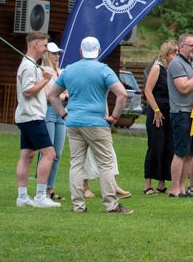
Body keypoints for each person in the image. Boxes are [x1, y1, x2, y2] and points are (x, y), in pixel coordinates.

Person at [47, 36, 131, 214]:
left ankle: (78, 205)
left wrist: (63, 114)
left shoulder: (69, 70)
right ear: (99, 51)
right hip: (96, 122)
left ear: (80, 52)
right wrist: (114, 117)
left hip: (73, 121)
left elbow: (53, 95)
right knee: (106, 164)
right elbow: (122, 94)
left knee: (76, 163)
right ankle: (111, 205)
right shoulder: (103, 70)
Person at [13, 31, 59, 208]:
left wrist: (42, 76)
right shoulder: (28, 66)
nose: (46, 49)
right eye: (45, 45)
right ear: (35, 45)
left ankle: (22, 197)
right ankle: (40, 196)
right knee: (49, 154)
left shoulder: (32, 65)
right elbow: (28, 91)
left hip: (27, 116)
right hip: (32, 116)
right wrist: (45, 80)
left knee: (27, 155)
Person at [166, 34, 193, 198]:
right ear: (181, 46)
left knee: (191, 153)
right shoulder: (176, 64)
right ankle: (175, 189)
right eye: (191, 45)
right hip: (181, 112)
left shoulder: (192, 63)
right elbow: (184, 88)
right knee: (180, 152)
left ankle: (183, 188)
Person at [142, 39, 176, 195]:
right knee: (155, 145)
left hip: (169, 110)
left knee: (168, 146)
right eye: (174, 52)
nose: (176, 55)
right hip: (157, 109)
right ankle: (147, 183)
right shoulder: (157, 67)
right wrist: (156, 110)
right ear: (167, 53)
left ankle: (162, 183)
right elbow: (148, 91)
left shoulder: (173, 70)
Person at [36, 41, 65, 201]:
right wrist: (62, 95)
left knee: (57, 153)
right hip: (48, 111)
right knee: (47, 152)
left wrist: (61, 96)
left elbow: (65, 92)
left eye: (58, 53)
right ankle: (41, 188)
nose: (56, 56)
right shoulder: (43, 71)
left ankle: (50, 188)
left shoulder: (61, 72)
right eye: (53, 53)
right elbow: (48, 95)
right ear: (47, 54)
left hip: (61, 111)